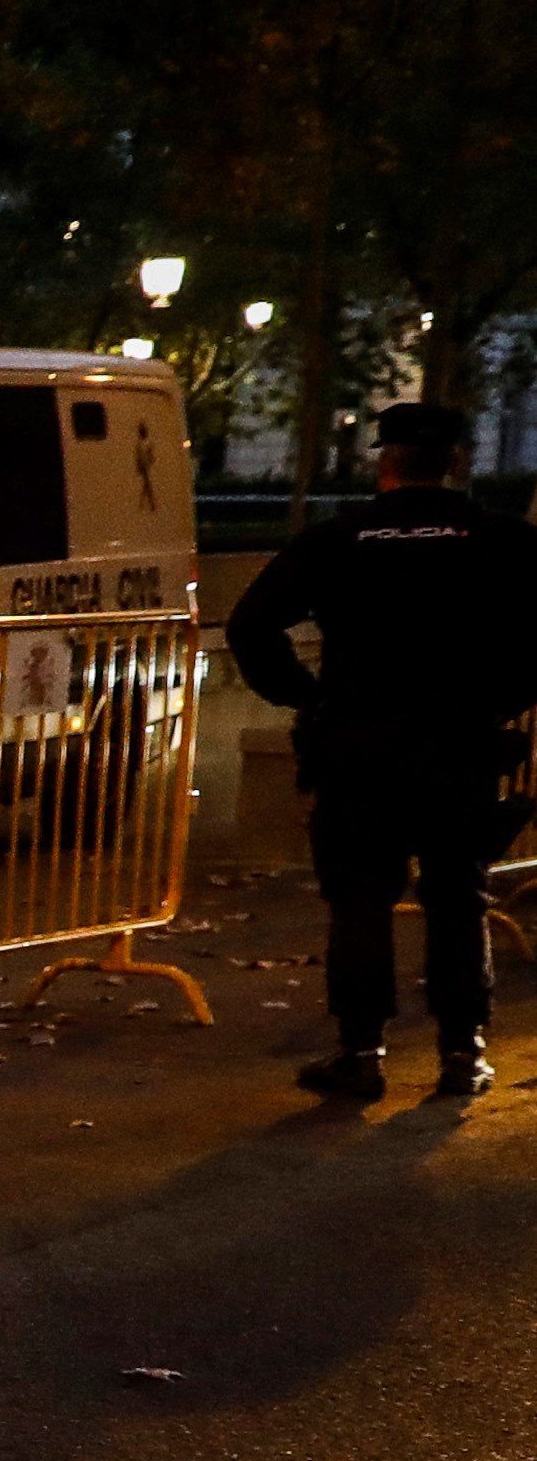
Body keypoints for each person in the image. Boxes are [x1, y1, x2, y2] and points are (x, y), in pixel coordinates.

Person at [226, 400, 537, 1103]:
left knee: (360, 898)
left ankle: (360, 1052)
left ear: (384, 461)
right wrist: (504, 697)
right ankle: (463, 1051)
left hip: (360, 746)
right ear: (458, 461)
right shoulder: (501, 540)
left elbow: (251, 625)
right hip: (460, 745)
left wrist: (305, 695)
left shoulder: (340, 539)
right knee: (459, 896)